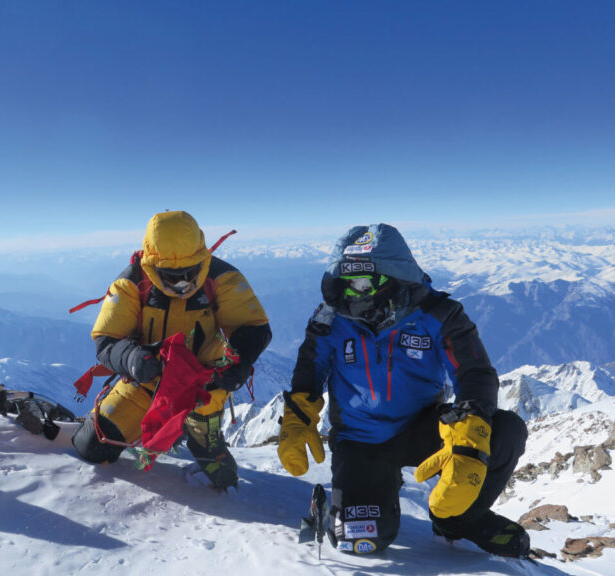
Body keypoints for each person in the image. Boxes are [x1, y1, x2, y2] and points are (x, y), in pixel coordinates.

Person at [277, 223, 530, 557]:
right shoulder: (330, 320)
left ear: (394, 278)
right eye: (348, 284)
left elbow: (474, 371)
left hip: (423, 427)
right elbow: (310, 369)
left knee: (505, 431)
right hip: (359, 438)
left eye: (366, 282)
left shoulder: (439, 314)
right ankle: (377, 487)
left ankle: (458, 520)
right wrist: (298, 418)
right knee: (360, 540)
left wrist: (471, 428)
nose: (356, 293)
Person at [72, 210, 271, 490]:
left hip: (204, 386)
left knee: (223, 480)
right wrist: (131, 359)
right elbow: (106, 339)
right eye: (170, 275)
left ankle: (198, 431)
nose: (181, 283)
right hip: (147, 381)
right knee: (91, 446)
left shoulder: (222, 278)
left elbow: (253, 327)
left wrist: (239, 364)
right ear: (152, 265)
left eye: (189, 273)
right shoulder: (131, 283)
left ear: (201, 260)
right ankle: (158, 428)